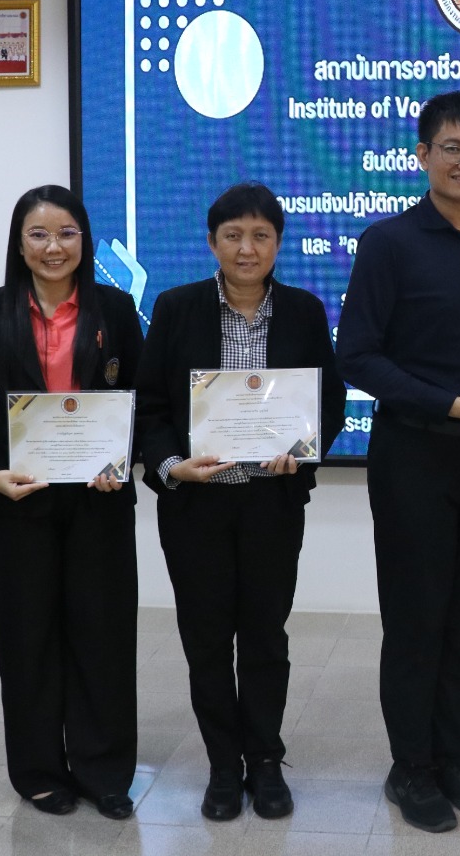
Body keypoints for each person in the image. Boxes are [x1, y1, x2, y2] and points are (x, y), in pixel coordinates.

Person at [336, 90, 460, 833]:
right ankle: (411, 768)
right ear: (422, 154)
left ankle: (454, 755)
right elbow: (357, 355)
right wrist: (450, 404)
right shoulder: (388, 242)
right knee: (417, 618)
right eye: (453, 148)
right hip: (413, 457)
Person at [134, 182, 345, 822]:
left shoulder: (304, 311)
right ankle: (223, 766)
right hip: (196, 507)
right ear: (212, 243)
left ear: (278, 243)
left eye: (260, 236)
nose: (246, 248)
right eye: (233, 236)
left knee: (264, 637)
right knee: (205, 640)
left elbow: (329, 402)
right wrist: (171, 465)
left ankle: (266, 760)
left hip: (271, 505)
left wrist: (302, 451)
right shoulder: (176, 308)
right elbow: (151, 407)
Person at [0, 184, 144, 820]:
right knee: (26, 639)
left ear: (83, 239)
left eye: (66, 233)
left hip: (99, 503)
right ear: (19, 244)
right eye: (38, 234)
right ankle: (38, 770)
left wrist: (122, 461)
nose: (53, 246)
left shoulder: (116, 308)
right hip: (20, 504)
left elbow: (142, 401)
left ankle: (104, 770)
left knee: (103, 636)